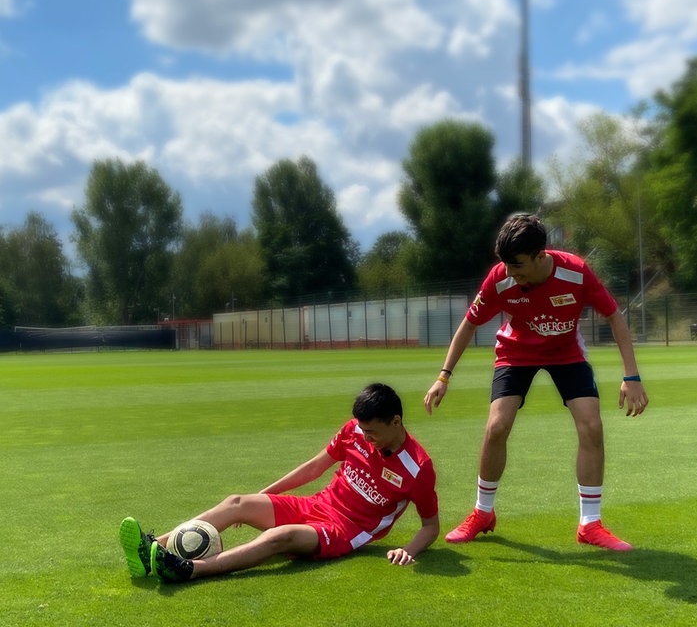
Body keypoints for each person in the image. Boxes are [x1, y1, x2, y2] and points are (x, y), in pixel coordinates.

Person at [424, 213, 648, 550]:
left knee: (592, 426)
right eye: (507, 266)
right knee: (496, 426)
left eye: (518, 266)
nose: (511, 274)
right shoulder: (500, 278)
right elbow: (469, 324)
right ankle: (483, 513)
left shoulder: (575, 272)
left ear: (541, 256)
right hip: (516, 352)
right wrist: (444, 376)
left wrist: (631, 376)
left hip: (566, 351)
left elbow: (614, 316)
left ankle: (590, 524)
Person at [120, 383, 439, 582]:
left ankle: (188, 569)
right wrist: (259, 499)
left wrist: (408, 550)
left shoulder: (418, 467)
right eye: (362, 431)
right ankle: (151, 547)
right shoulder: (353, 431)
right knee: (236, 502)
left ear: (396, 422)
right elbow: (314, 468)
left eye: (372, 433)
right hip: (316, 504)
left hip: (343, 532)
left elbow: (430, 526)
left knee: (279, 536)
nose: (366, 439)